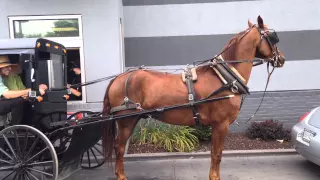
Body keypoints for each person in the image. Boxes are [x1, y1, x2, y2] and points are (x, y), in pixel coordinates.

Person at [0, 55, 47, 125]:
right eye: (6, 66)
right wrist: (32, 90)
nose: (10, 68)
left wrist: (31, 91)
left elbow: (21, 91)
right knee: (20, 101)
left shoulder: (12, 77)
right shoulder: (6, 78)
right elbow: (7, 95)